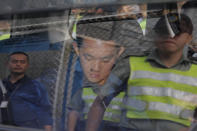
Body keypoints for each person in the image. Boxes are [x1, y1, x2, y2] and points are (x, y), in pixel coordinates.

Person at [86, 12, 197, 131]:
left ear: (189, 38)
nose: (170, 35)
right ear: (156, 34)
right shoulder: (130, 64)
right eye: (164, 30)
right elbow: (100, 103)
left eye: (177, 31)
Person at [67, 20, 125, 131]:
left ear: (119, 53)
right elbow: (73, 113)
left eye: (105, 60)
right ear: (76, 49)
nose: (96, 67)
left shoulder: (125, 91)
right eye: (88, 58)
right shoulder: (82, 91)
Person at [0, 51, 53, 131]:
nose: (18, 64)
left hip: (27, 128)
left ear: (27, 65)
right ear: (7, 64)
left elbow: (45, 111)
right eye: (14, 61)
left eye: (22, 62)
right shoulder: (1, 85)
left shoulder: (36, 86)